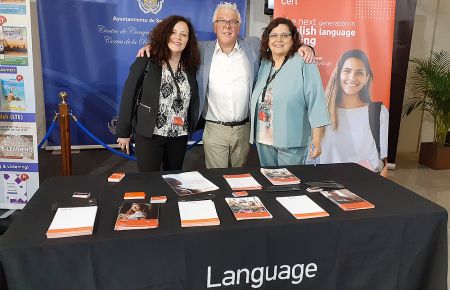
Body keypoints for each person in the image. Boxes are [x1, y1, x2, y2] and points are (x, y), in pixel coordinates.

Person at [137, 2, 315, 169]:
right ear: (215, 26)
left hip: (244, 129)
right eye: (222, 21)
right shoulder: (200, 49)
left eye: (232, 21)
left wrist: (305, 47)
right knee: (217, 180)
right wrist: (152, 45)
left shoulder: (252, 45)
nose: (227, 26)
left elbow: (279, 43)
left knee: (239, 178)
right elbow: (175, 44)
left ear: (239, 26)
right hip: (215, 129)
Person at [117, 15, 200, 172]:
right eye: (174, 32)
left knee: (173, 181)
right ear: (165, 34)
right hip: (150, 135)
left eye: (184, 34)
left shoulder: (190, 66)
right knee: (150, 183)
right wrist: (124, 132)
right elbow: (129, 94)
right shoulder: (147, 59)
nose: (178, 37)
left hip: (179, 135)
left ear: (189, 40)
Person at [249, 17, 329, 166]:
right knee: (269, 183)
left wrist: (317, 140)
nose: (278, 39)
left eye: (285, 35)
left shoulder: (303, 62)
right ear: (267, 40)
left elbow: (316, 102)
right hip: (263, 139)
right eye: (273, 35)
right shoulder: (264, 63)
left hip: (292, 140)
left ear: (293, 40)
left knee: (289, 185)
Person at [319, 49, 388, 176]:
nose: (352, 78)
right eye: (347, 71)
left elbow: (384, 161)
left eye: (359, 73)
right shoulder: (322, 110)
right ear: (338, 74)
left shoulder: (378, 112)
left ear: (366, 78)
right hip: (329, 181)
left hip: (366, 182)